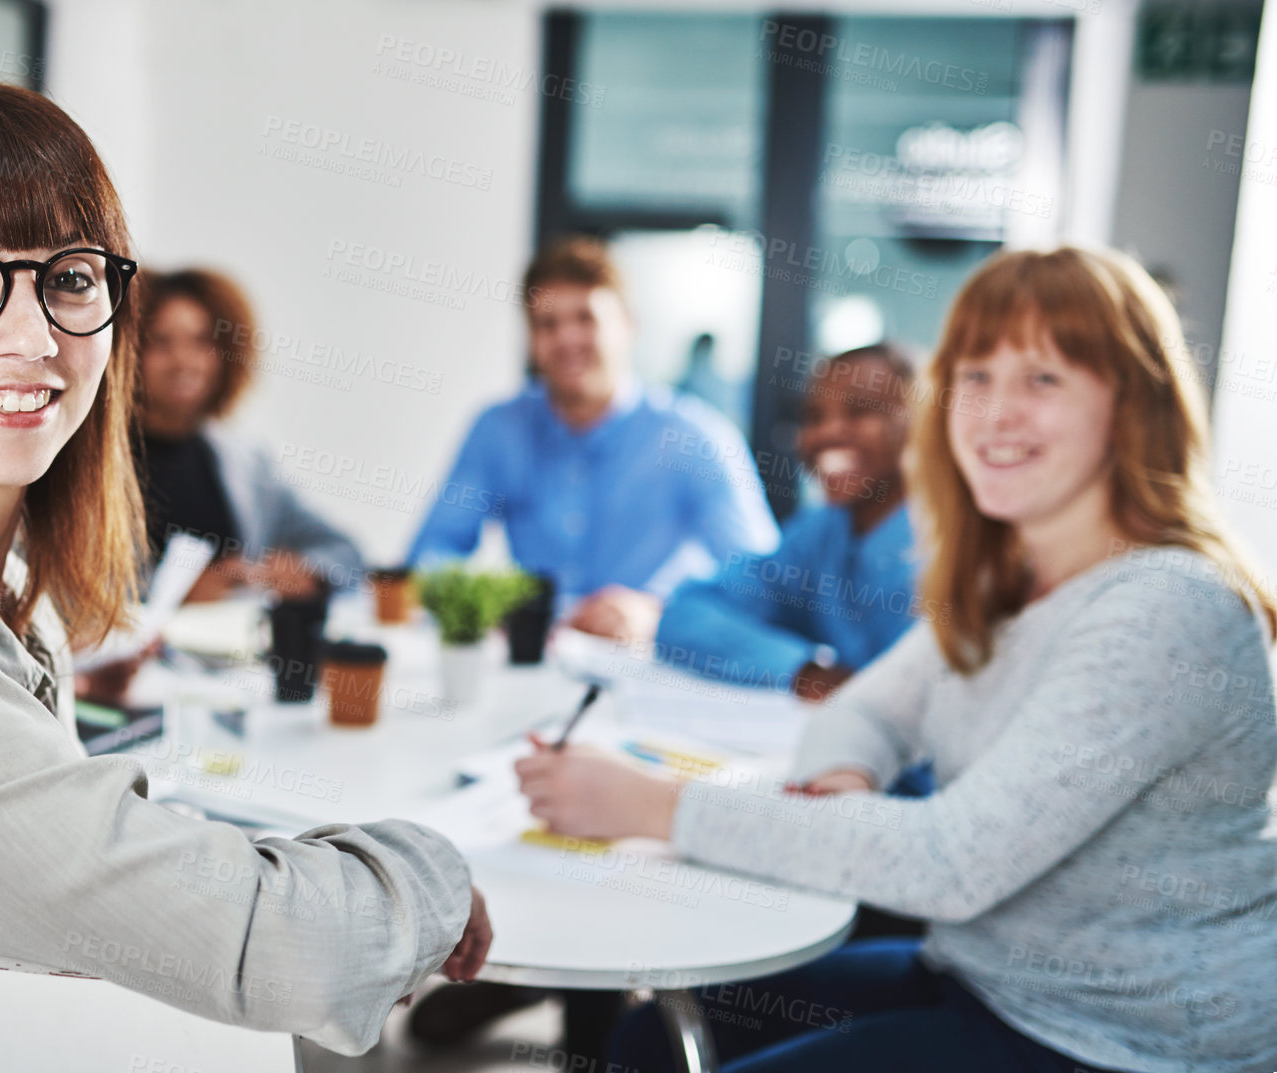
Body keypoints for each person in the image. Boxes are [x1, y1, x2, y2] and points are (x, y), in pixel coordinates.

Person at [0, 81, 490, 1070]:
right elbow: (290, 950)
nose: (32, 337)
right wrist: (435, 875)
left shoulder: (4, 590)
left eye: (68, 276)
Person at [517, 246, 1277, 1073]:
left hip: (1118, 1039)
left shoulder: (1163, 605)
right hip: (982, 970)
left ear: (1130, 403)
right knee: (643, 1039)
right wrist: (844, 777)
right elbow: (865, 709)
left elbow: (949, 860)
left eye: (1042, 379)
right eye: (976, 376)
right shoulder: (1003, 581)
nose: (993, 413)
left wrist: (660, 807)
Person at [407, 236, 778, 647]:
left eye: (585, 319)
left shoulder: (695, 436)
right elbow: (428, 560)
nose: (567, 339)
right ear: (532, 340)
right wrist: (487, 603)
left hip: (646, 665)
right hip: (534, 662)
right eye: (547, 325)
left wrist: (661, 615)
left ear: (627, 326)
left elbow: (760, 586)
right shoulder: (498, 429)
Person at [655, 343, 919, 702]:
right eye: (813, 417)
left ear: (924, 425)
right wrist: (803, 671)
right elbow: (685, 615)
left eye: (861, 411)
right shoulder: (821, 532)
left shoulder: (949, 548)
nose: (827, 433)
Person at [136, 267, 362, 603]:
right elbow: (68, 599)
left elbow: (346, 554)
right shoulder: (91, 463)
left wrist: (305, 571)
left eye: (202, 341)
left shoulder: (244, 461)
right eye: (161, 342)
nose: (184, 360)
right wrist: (172, 594)